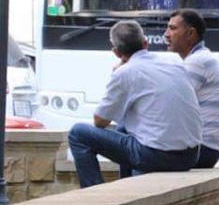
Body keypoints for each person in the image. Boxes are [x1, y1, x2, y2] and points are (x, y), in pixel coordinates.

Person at [68, 20, 202, 188]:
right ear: (145, 43)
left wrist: (116, 73)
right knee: (123, 127)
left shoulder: (124, 73)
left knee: (78, 133)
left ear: (116, 53)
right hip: (190, 156)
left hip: (157, 155)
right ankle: (129, 185)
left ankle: (93, 191)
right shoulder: (174, 62)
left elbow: (100, 121)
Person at [165, 8, 219, 168]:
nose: (166, 34)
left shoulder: (197, 62)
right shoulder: (199, 59)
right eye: (167, 28)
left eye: (173, 28)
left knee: (129, 140)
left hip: (200, 150)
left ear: (191, 34)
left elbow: (168, 104)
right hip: (203, 149)